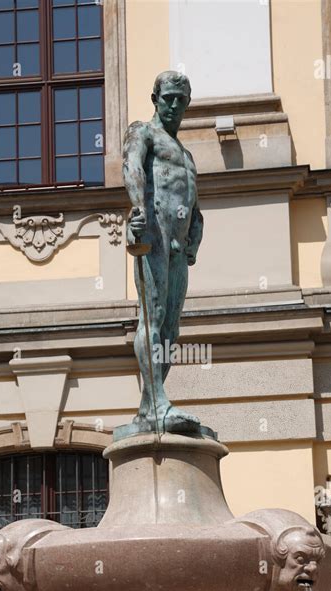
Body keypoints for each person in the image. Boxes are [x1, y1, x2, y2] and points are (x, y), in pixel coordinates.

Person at [122, 70, 204, 435]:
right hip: (154, 234)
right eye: (168, 97)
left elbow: (193, 200)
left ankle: (149, 407)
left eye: (180, 100)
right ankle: (157, 403)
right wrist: (137, 211)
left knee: (171, 328)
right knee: (152, 320)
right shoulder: (144, 132)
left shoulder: (186, 154)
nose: (174, 105)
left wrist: (195, 236)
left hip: (178, 245)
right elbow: (133, 168)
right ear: (154, 97)